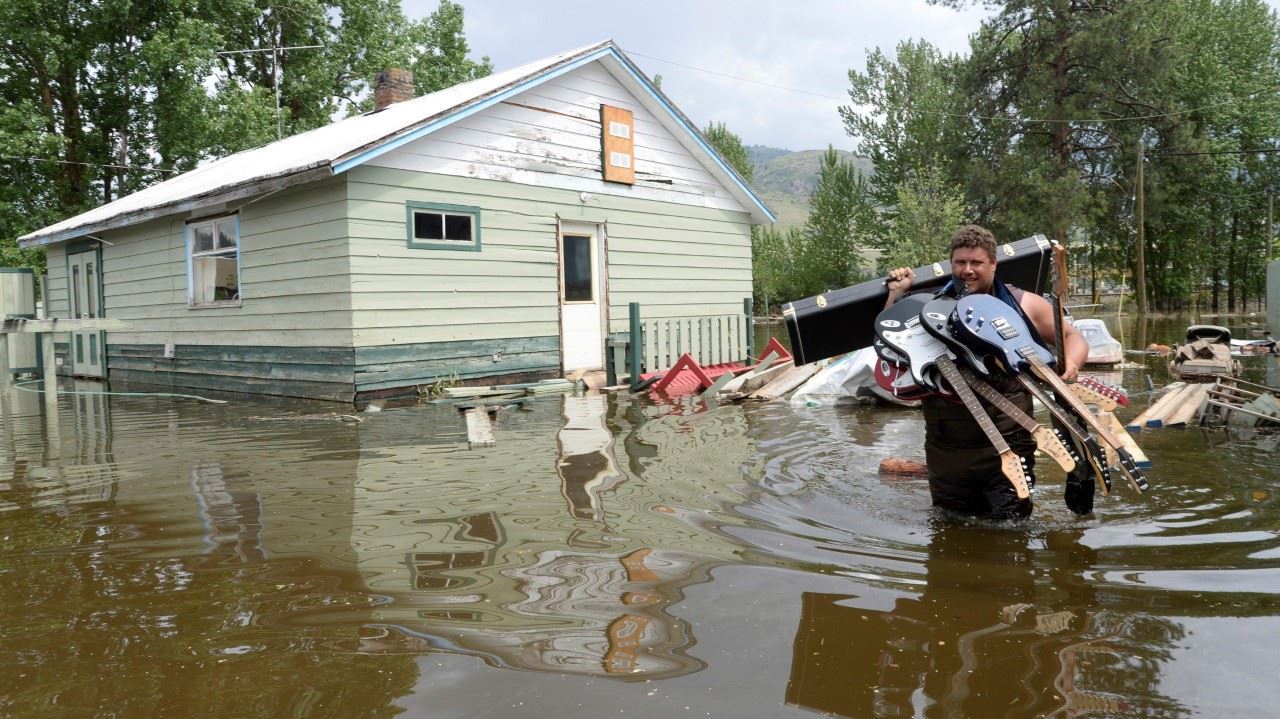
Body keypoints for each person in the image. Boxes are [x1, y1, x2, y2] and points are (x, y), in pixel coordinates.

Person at [884, 225, 1089, 519]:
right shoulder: (927, 309)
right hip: (945, 449)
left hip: (1009, 440)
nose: (967, 270)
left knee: (1013, 531)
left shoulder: (1023, 304)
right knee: (947, 527)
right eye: (960, 263)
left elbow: (1073, 337)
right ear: (951, 264)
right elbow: (891, 342)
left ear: (993, 264)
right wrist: (897, 294)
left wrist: (1072, 364)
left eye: (976, 263)